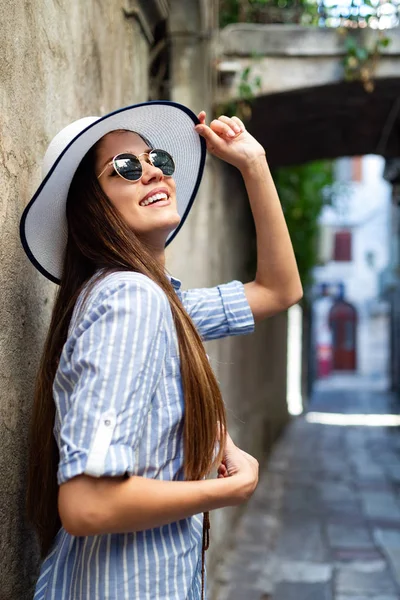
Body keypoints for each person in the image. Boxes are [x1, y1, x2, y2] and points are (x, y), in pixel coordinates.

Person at [20, 101, 302, 600]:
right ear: (91, 208)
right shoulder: (132, 299)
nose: (152, 171)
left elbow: (279, 290)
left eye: (159, 161)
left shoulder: (161, 306)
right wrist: (230, 488)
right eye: (126, 168)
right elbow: (87, 504)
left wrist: (252, 164)